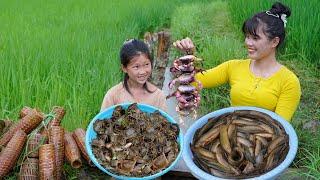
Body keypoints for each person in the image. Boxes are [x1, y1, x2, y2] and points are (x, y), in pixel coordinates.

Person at [173, 2, 301, 122]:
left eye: (255, 38)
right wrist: (189, 56)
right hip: (231, 134)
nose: (248, 43)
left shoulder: (289, 81)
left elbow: (280, 128)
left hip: (265, 141)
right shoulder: (233, 67)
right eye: (247, 36)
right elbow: (194, 82)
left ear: (275, 41)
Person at [100, 39, 168, 112]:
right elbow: (102, 120)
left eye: (146, 64)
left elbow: (165, 121)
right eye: (136, 67)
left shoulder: (158, 96)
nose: (142, 72)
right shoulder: (113, 95)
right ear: (124, 68)